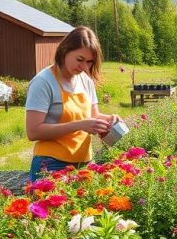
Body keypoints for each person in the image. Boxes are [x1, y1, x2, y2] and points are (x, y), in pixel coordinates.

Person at [25, 26, 122, 180]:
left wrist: (110, 119)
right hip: (51, 164)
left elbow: (93, 115)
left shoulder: (85, 80)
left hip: (84, 162)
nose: (84, 67)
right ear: (64, 50)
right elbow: (33, 131)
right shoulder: (43, 82)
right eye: (80, 59)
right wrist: (79, 125)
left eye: (89, 62)